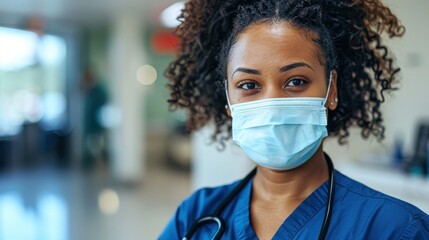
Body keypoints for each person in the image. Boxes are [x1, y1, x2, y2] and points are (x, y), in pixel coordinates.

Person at [160, 0, 429, 239]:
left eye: (296, 81)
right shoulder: (195, 215)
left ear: (331, 90)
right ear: (229, 101)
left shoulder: (394, 228)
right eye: (248, 85)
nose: (272, 103)